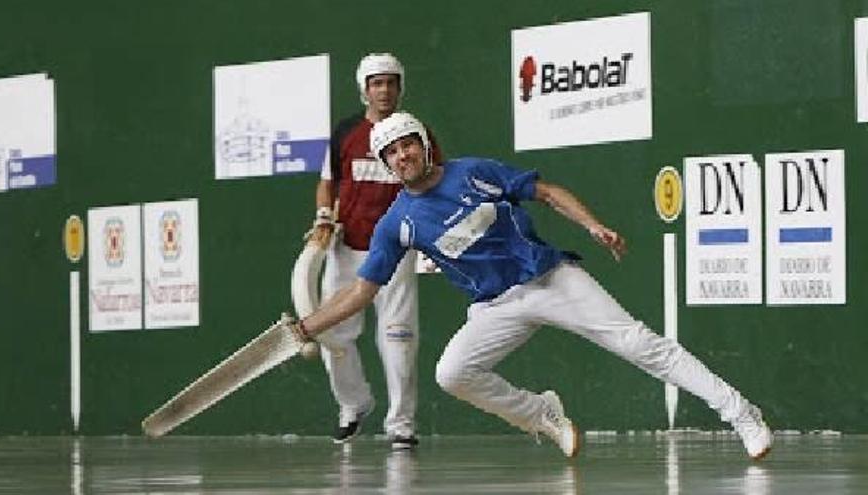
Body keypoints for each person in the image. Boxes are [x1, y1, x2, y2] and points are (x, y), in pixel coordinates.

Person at [293, 112, 773, 460]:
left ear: (423, 145)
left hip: (549, 279)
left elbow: (545, 192)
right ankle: (542, 414)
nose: (403, 156)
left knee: (640, 344)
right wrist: (307, 326)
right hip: (495, 307)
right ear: (386, 163)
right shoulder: (397, 223)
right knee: (452, 374)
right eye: (392, 152)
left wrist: (592, 225)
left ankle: (740, 413)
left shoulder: (472, 172)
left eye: (408, 145)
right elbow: (361, 292)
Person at [306, 54, 439, 450]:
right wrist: (324, 217)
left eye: (391, 82)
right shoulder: (346, 132)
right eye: (376, 83)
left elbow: (436, 182)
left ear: (400, 88)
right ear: (364, 89)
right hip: (346, 249)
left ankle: (401, 424)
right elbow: (327, 183)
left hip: (397, 250)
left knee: (398, 337)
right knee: (333, 333)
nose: (384, 90)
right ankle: (353, 405)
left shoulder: (416, 133)